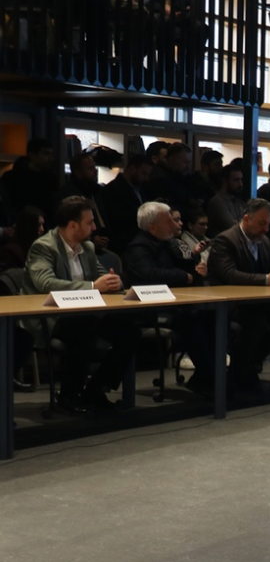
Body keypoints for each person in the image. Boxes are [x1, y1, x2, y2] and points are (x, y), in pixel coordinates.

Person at [21, 196, 139, 413]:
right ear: (73, 225)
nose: (94, 227)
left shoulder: (88, 247)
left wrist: (115, 282)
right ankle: (68, 396)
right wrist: (93, 286)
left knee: (128, 331)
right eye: (90, 222)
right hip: (49, 317)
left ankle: (95, 390)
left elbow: (103, 278)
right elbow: (45, 283)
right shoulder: (43, 247)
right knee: (83, 327)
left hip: (84, 314)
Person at [124, 202, 215, 396]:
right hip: (150, 309)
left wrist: (196, 270)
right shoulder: (138, 247)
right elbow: (150, 274)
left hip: (174, 304)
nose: (175, 225)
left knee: (211, 316)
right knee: (192, 320)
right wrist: (185, 276)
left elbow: (185, 268)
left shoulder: (168, 243)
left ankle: (206, 378)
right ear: (152, 227)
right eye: (169, 222)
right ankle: (212, 379)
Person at [206, 198, 270, 391]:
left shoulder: (263, 241)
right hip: (228, 302)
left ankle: (248, 364)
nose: (266, 229)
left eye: (269, 224)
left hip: (255, 301)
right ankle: (241, 370)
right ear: (247, 219)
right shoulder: (225, 240)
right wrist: (267, 280)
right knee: (257, 322)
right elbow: (229, 274)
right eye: (262, 223)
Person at [56, 153, 110, 254]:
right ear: (78, 173)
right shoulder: (69, 195)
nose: (95, 171)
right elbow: (67, 227)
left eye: (95, 167)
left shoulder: (95, 190)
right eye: (90, 168)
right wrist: (91, 240)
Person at [99, 154, 152, 248]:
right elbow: (116, 219)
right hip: (125, 242)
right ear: (133, 169)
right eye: (143, 174)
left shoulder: (140, 188)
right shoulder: (113, 189)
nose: (146, 178)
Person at [0, 138, 58, 219]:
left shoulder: (51, 177)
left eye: (51, 154)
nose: (51, 158)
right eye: (46, 154)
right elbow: (6, 205)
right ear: (32, 155)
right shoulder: (11, 178)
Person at [206, 163, 247, 237]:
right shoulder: (217, 202)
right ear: (225, 181)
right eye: (236, 180)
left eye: (241, 180)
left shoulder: (237, 201)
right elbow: (234, 227)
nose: (240, 184)